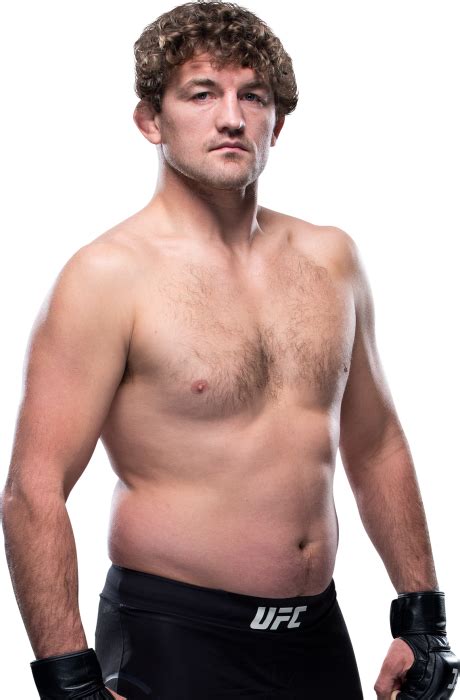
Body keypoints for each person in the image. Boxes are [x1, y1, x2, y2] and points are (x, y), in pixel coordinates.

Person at [1, 1, 458, 698]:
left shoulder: (331, 259)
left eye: (254, 96)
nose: (232, 118)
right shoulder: (106, 278)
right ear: (150, 120)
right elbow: (33, 490)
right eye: (202, 93)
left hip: (316, 635)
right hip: (175, 639)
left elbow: (376, 444)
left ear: (279, 122)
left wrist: (421, 619)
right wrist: (70, 679)